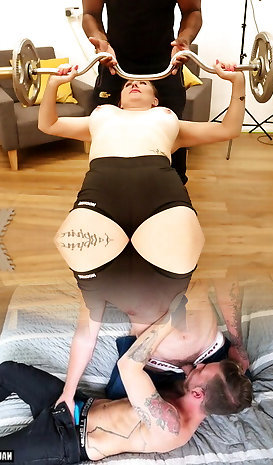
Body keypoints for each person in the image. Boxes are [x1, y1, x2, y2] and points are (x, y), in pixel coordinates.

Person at [38, 60, 246, 414]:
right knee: (81, 259)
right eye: (128, 84)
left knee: (124, 284)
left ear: (155, 100)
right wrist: (54, 85)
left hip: (158, 191)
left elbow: (230, 128)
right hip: (104, 189)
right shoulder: (100, 117)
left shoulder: (169, 121)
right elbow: (48, 124)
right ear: (118, 98)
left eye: (145, 84)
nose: (135, 84)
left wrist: (237, 82)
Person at [0, 309, 253, 464]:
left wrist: (171, 319)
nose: (196, 365)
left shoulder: (170, 425)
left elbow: (128, 365)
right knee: (8, 372)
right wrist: (235, 354)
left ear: (199, 394)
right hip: (75, 406)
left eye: (202, 368)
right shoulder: (202, 395)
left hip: (66, 440)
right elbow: (225, 381)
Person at [82, 0, 203, 184]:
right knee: (108, 129)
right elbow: (90, 14)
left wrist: (184, 39)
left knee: (170, 130)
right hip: (114, 62)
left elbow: (193, 10)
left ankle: (173, 188)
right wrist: (101, 41)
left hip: (165, 65)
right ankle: (110, 187)